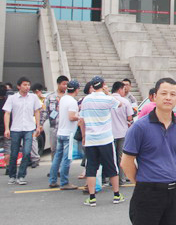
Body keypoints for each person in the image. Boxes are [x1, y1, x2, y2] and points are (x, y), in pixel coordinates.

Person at [123, 78, 176, 225]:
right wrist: (142, 182)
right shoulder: (139, 127)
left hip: (173, 192)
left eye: (173, 94)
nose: (168, 98)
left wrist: (168, 170)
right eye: (164, 93)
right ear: (154, 96)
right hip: (147, 192)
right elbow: (126, 162)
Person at [79, 76, 125, 207]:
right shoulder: (107, 99)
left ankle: (92, 197)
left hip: (91, 139)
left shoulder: (86, 100)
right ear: (103, 84)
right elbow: (119, 104)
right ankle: (116, 195)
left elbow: (81, 120)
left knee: (91, 168)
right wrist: (107, 92)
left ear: (92, 86)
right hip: (105, 139)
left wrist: (84, 136)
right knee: (112, 167)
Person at [3, 77, 42, 185]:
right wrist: (7, 128)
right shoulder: (12, 98)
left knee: (26, 152)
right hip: (16, 128)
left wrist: (38, 126)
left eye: (28, 85)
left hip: (29, 128)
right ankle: (12, 175)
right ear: (19, 86)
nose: (27, 87)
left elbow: (37, 111)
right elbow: (7, 113)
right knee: (14, 153)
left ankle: (21, 176)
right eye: (24, 85)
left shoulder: (33, 97)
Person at [48, 80, 80, 190]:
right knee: (67, 159)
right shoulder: (72, 102)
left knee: (57, 157)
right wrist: (80, 116)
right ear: (77, 89)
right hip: (69, 133)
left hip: (60, 132)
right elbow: (71, 117)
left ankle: (52, 180)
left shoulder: (63, 99)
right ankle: (64, 182)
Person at [110, 81, 134, 185]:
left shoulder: (108, 100)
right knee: (121, 157)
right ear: (120, 89)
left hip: (109, 133)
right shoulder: (125, 101)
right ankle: (121, 179)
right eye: (124, 89)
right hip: (122, 132)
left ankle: (111, 179)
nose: (124, 91)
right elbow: (130, 117)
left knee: (111, 157)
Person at [42, 75, 69, 160]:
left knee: (65, 149)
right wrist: (41, 124)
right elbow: (44, 111)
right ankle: (55, 166)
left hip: (66, 127)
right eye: (63, 84)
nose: (65, 86)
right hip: (54, 126)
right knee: (54, 149)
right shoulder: (50, 97)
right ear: (58, 84)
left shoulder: (68, 97)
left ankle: (63, 166)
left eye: (66, 84)